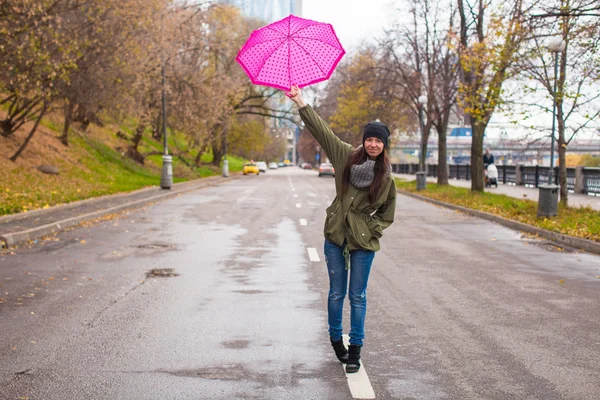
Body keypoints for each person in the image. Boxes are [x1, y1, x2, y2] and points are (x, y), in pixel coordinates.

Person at [286, 85, 396, 374]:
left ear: (384, 145)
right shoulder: (345, 156)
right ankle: (337, 340)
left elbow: (388, 213)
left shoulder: (385, 177)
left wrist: (371, 228)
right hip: (335, 235)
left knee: (358, 295)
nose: (373, 144)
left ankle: (355, 350)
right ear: (363, 141)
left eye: (378, 141)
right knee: (337, 293)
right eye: (369, 139)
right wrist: (301, 103)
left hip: (363, 243)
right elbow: (322, 132)